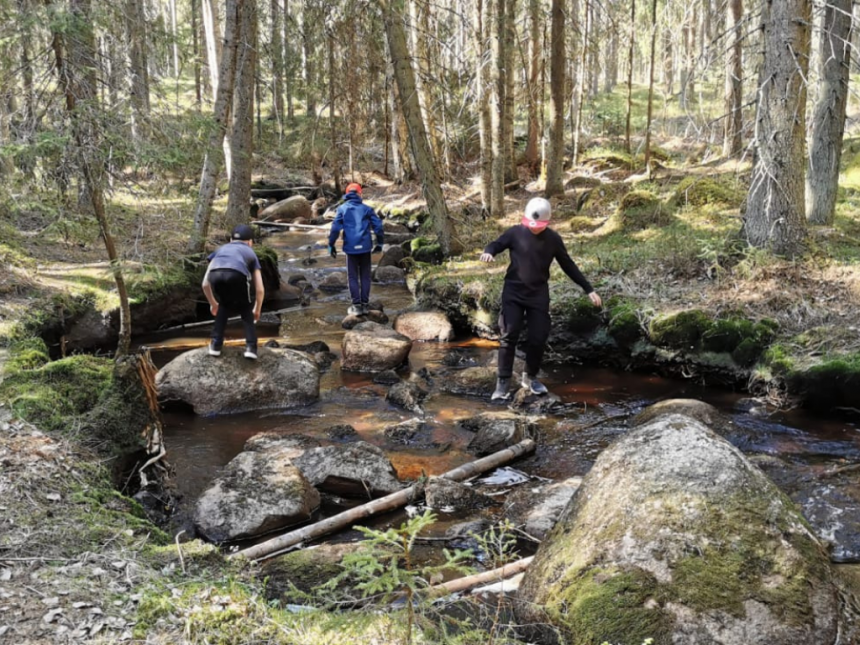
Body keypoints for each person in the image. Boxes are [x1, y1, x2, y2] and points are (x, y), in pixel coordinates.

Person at [480, 197, 602, 400]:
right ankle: (502, 382)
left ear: (547, 223)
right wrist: (488, 252)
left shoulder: (553, 239)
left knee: (538, 337)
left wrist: (588, 289)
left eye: (539, 226)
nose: (534, 229)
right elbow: (496, 244)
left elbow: (568, 264)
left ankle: (530, 378)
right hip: (513, 292)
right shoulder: (515, 232)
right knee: (509, 335)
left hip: (538, 294)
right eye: (531, 225)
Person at [202, 224, 265, 360]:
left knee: (223, 305)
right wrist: (257, 309)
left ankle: (215, 345)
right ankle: (251, 347)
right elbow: (259, 289)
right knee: (245, 307)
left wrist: (213, 303)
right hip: (237, 274)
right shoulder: (250, 252)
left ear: (231, 240)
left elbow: (205, 284)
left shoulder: (219, 250)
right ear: (250, 242)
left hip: (215, 274)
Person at [327, 183, 384, 316]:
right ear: (359, 194)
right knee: (365, 276)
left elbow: (335, 228)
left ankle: (356, 307)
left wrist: (331, 244)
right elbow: (378, 227)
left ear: (347, 194)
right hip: (365, 247)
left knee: (352, 276)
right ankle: (365, 305)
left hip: (350, 248)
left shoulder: (342, 209)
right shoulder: (367, 209)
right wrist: (380, 243)